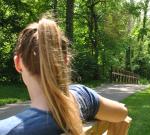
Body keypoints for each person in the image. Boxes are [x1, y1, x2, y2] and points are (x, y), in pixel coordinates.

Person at [0, 18, 128, 135]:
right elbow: (122, 113)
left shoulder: (7, 130)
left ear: (18, 63)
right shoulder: (82, 98)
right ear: (65, 61)